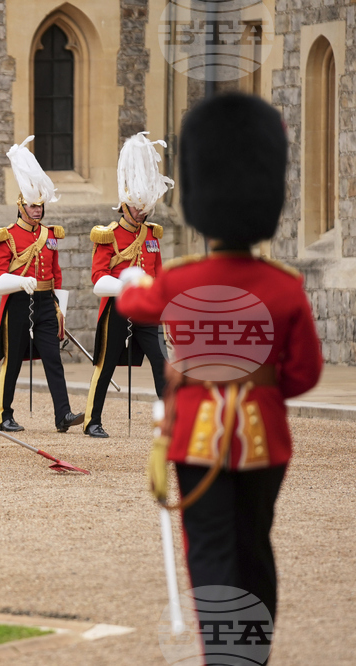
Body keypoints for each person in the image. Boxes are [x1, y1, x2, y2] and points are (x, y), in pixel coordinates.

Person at [117, 93, 322, 640]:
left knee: (211, 551)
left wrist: (135, 282)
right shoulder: (286, 287)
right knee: (255, 547)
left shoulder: (182, 280)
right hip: (264, 440)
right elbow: (303, 377)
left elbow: (132, 304)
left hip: (198, 437)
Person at [0, 137, 84, 433]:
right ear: (21, 205)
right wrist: (20, 281)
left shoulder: (51, 235)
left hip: (44, 303)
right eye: (32, 206)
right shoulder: (6, 236)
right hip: (18, 302)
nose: (37, 210)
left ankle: (63, 414)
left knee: (53, 359)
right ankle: (4, 414)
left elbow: (56, 274)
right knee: (14, 361)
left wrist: (58, 308)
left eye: (40, 205)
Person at [83, 132, 172, 438]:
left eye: (145, 208)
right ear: (125, 204)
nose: (142, 213)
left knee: (162, 363)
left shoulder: (151, 235)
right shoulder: (107, 235)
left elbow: (158, 275)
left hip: (147, 310)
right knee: (105, 366)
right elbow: (97, 279)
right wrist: (125, 287)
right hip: (117, 308)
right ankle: (92, 420)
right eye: (137, 208)